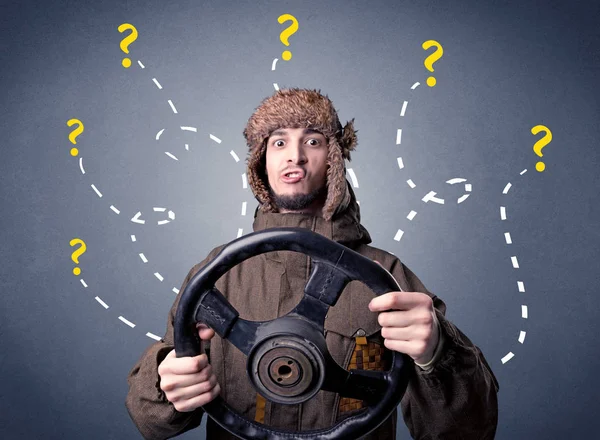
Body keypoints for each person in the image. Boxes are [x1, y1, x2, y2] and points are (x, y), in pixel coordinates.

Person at [125, 88, 499, 439]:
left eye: (313, 141)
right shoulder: (217, 277)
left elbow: (467, 432)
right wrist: (167, 384)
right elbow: (149, 420)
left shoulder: (388, 278)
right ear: (261, 162)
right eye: (279, 142)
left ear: (334, 159)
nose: (295, 156)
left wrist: (436, 352)